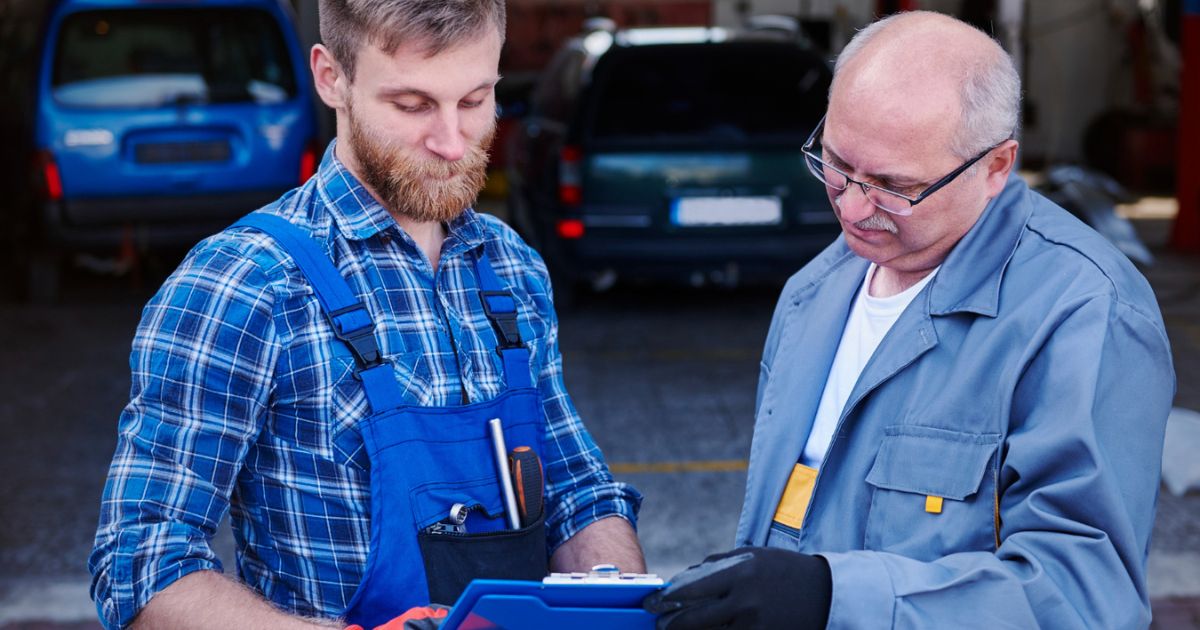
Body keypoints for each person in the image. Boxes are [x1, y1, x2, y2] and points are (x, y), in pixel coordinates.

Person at [88, 1, 645, 628]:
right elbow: (141, 564)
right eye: (412, 106)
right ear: (333, 78)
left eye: (474, 100)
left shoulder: (511, 267)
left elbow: (574, 493)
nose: (451, 141)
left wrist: (619, 603)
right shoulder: (243, 285)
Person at [645, 11, 1174, 630]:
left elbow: (1085, 600)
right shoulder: (812, 294)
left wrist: (832, 598)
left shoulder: (1085, 314)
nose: (851, 205)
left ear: (996, 167)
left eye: (894, 186)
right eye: (836, 164)